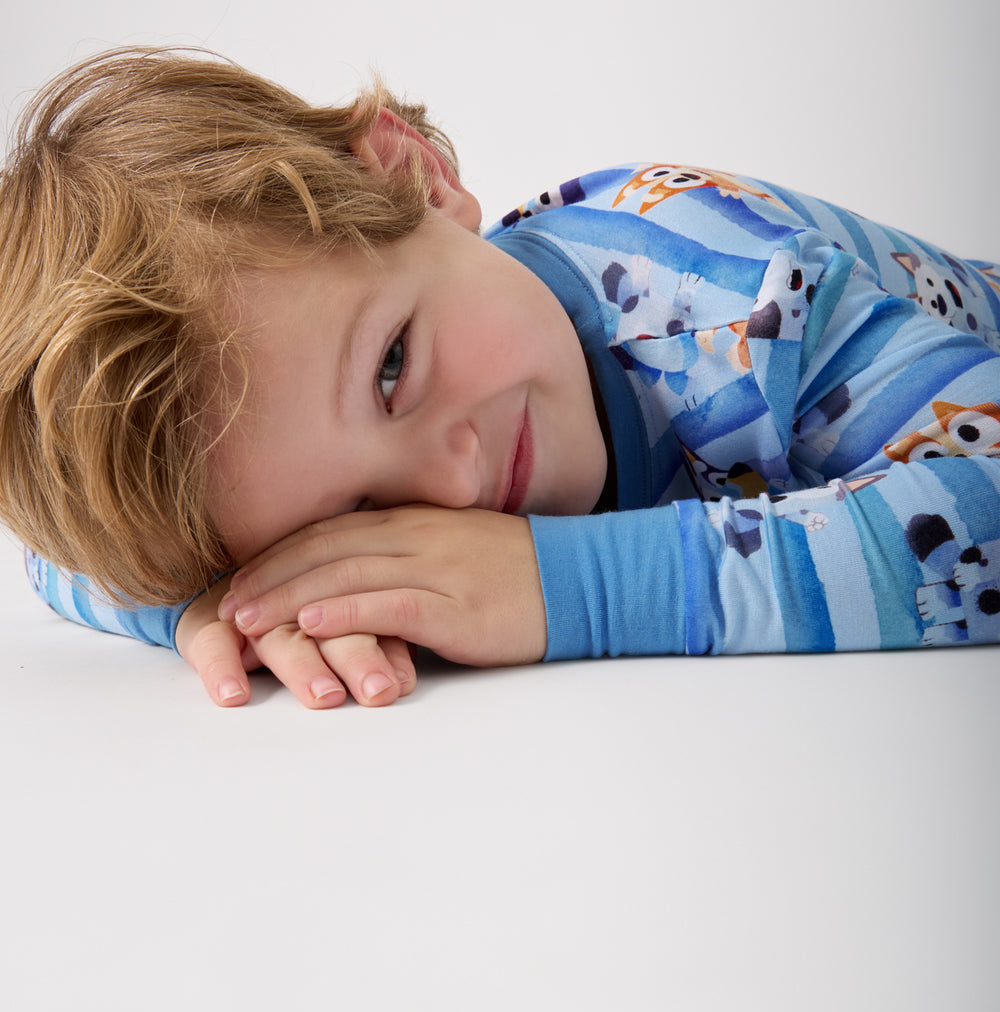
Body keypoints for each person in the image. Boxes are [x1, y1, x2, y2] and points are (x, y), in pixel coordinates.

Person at [3, 48, 999, 711]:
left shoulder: (732, 299)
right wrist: (220, 607)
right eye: (343, 519)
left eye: (394, 367)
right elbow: (57, 561)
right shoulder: (273, 453)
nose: (449, 493)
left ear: (413, 184)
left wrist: (568, 588)